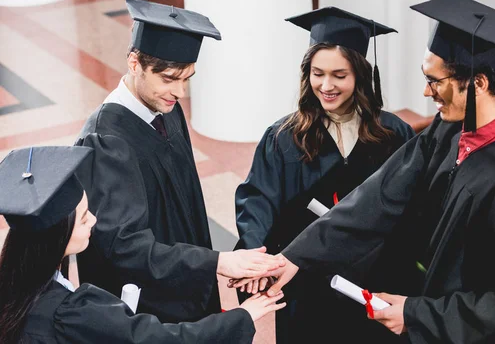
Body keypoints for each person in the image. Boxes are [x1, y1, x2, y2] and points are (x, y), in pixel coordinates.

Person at [234, 0, 495, 343]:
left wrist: (414, 314)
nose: (426, 91)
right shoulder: (449, 131)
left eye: (435, 81)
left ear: (478, 83)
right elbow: (377, 197)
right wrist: (294, 257)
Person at [75, 0, 284, 323]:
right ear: (134, 64)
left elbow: (188, 204)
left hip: (189, 284)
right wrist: (216, 262)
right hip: (147, 309)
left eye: (187, 78)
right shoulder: (106, 140)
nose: (181, 92)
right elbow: (125, 248)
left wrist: (209, 268)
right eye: (170, 78)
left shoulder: (166, 108)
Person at [234, 6, 415, 343]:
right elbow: (257, 200)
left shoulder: (394, 134)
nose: (326, 85)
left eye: (339, 76)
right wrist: (254, 257)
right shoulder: (283, 138)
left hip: (374, 280)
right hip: (308, 282)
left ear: (360, 75)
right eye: (318, 73)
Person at [0, 146, 286, 344]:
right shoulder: (72, 311)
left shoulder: (16, 285)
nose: (95, 220)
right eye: (85, 217)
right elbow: (161, 340)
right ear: (56, 235)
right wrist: (243, 317)